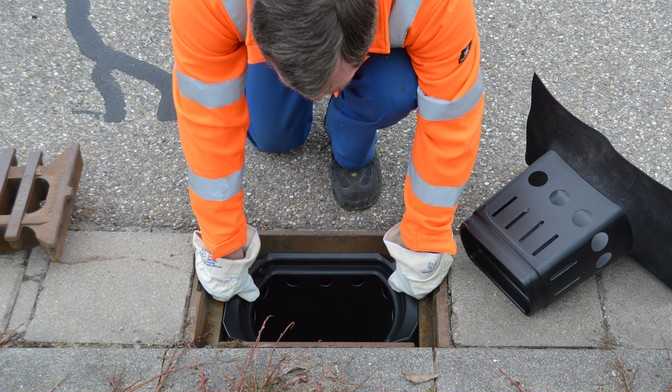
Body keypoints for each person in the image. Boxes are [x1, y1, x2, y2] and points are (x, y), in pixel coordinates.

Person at [170, 0, 484, 302]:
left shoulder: (437, 7)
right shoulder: (205, 6)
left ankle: (350, 128)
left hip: (379, 54)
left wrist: (426, 236)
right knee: (272, 136)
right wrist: (222, 240)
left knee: (391, 91)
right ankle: (288, 101)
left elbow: (451, 117)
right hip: (272, 38)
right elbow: (206, 116)